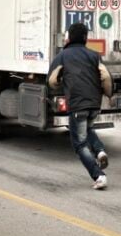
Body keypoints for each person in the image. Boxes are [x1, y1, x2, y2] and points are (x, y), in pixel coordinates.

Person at [48, 22, 113, 190]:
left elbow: (52, 80)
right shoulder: (94, 55)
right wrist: (108, 94)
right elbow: (105, 77)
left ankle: (99, 175)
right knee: (87, 128)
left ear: (68, 37)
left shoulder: (63, 56)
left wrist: (61, 86)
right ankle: (99, 151)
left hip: (77, 104)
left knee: (79, 144)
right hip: (94, 104)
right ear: (85, 38)